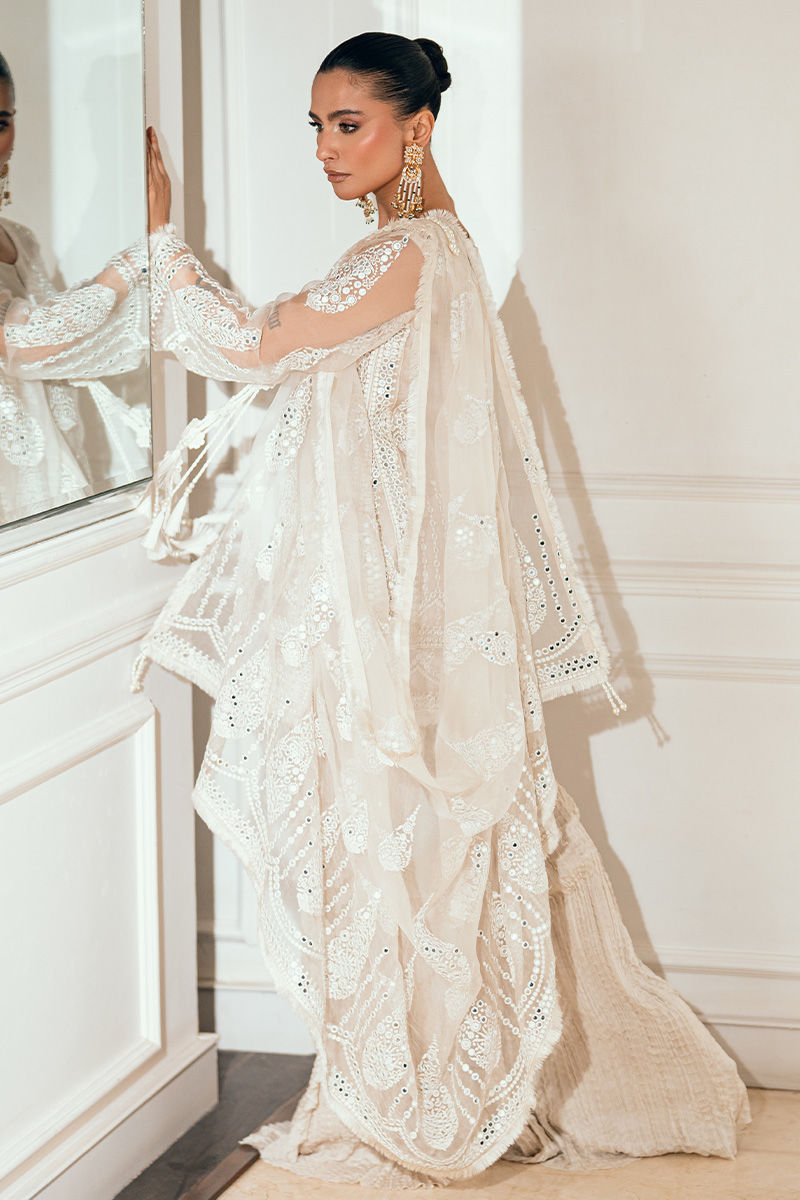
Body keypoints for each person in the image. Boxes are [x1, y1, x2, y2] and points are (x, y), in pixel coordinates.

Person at [132, 32, 750, 1190]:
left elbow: (256, 346)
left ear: (413, 127)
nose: (326, 148)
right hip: (392, 610)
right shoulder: (430, 248)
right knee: (412, 855)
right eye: (315, 127)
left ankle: (425, 1095)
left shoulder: (407, 254)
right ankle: (422, 1076)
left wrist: (164, 246)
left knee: (410, 856)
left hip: (391, 622)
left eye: (348, 124)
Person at [0, 51, 150, 527]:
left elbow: (64, 340)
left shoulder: (21, 239)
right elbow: (20, 340)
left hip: (55, 465)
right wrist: (137, 261)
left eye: (1, 122)